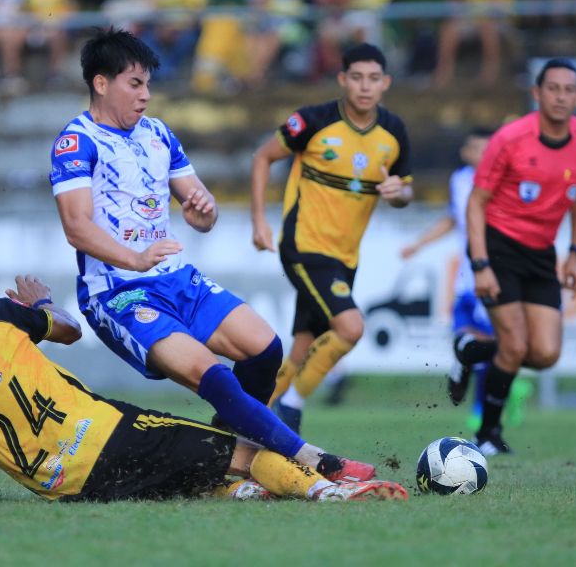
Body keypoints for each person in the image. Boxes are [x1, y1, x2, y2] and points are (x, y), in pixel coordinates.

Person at [48, 28, 376, 483]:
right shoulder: (75, 142)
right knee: (213, 375)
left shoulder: (159, 134)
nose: (146, 95)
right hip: (118, 290)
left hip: (175, 277)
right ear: (101, 83)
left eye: (148, 84)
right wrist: (135, 259)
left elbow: (199, 208)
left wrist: (203, 211)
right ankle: (316, 460)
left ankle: (223, 461)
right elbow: (76, 226)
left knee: (265, 350)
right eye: (135, 84)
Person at [0, 271, 408, 503]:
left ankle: (249, 493)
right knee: (245, 450)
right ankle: (330, 490)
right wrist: (45, 304)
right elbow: (69, 331)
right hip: (107, 434)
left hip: (68, 490)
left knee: (195, 479)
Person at [251, 43, 413, 433]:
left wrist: (399, 194)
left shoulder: (393, 133)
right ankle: (290, 409)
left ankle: (247, 425)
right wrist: (259, 221)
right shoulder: (312, 121)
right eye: (356, 77)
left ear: (385, 83)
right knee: (351, 327)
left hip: (345, 258)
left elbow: (405, 192)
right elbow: (263, 157)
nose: (364, 86)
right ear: (343, 79)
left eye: (373, 79)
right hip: (304, 247)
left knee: (303, 350)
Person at [466, 58, 576, 456]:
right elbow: (477, 202)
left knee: (544, 353)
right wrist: (480, 263)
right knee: (514, 345)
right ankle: (487, 433)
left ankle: (469, 351)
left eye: (568, 90)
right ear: (536, 94)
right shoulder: (509, 139)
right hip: (499, 245)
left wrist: (575, 252)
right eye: (553, 88)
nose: (560, 96)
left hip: (542, 251)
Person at [400, 128, 496, 421]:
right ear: (466, 153)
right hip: (469, 276)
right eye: (477, 149)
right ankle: (482, 393)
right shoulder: (460, 180)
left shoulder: (505, 180)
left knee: (490, 343)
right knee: (465, 339)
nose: (483, 155)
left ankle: (483, 411)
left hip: (496, 275)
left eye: (488, 149)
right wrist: (419, 243)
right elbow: (453, 219)